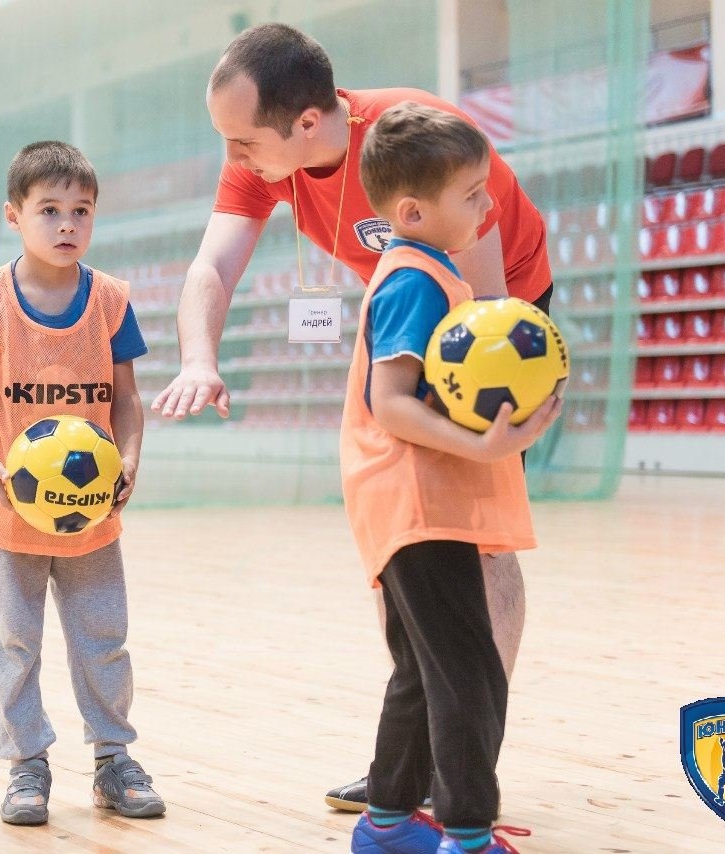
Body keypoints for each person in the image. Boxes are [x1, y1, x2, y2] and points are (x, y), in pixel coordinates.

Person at [149, 22, 554, 811]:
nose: (233, 158)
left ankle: (469, 764)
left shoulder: (421, 137)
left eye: (241, 140)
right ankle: (415, 759)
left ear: (307, 123)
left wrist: (470, 432)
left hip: (493, 315)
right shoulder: (268, 167)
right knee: (403, 554)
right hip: (407, 307)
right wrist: (199, 359)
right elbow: (212, 268)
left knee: (473, 543)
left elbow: (485, 310)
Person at [344, 103, 558, 854]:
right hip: (417, 500)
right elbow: (390, 402)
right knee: (469, 672)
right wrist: (483, 446)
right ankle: (467, 834)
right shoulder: (415, 283)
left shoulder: (435, 275)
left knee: (418, 668)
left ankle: (388, 825)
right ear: (413, 211)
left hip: (414, 502)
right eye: (471, 193)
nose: (488, 204)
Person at [0, 141, 163, 826]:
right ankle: (26, 765)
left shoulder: (112, 300)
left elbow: (128, 397)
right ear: (14, 214)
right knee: (14, 641)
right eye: (50, 210)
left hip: (89, 509)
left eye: (81, 211)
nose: (67, 224)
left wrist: (129, 455)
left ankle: (113, 759)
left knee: (104, 635)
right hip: (6, 508)